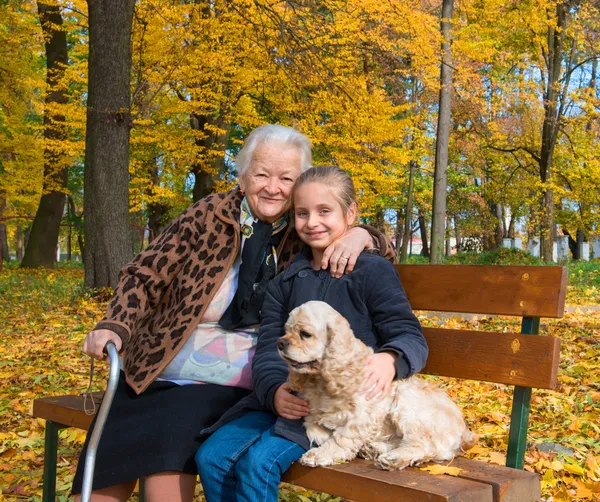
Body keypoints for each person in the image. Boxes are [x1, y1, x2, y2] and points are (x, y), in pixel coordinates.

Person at [72, 126, 392, 502]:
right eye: (261, 174)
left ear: (299, 183)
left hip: (237, 378)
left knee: (171, 435)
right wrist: (115, 324)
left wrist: (363, 235)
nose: (273, 187)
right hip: (158, 366)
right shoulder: (208, 214)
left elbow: (363, 241)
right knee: (113, 450)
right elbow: (146, 272)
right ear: (242, 176)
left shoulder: (302, 229)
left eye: (286, 178)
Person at [196, 166, 428, 502]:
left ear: (350, 214)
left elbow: (410, 334)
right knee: (212, 458)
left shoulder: (372, 272)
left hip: (336, 411)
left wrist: (391, 359)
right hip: (285, 402)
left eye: (324, 211)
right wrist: (274, 391)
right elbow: (268, 349)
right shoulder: (285, 282)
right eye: (302, 213)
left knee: (258, 464)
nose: (312, 222)